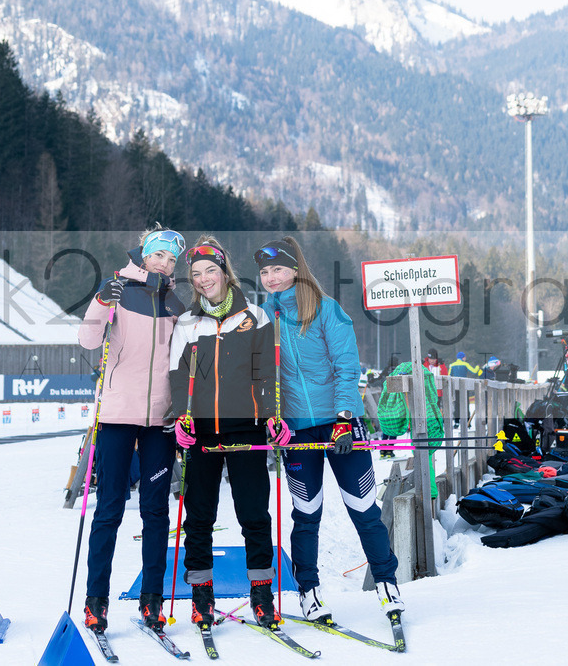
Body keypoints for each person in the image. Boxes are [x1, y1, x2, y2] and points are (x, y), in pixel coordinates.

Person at [255, 237, 405, 625]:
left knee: (363, 510)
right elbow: (263, 377)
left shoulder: (326, 310)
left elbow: (346, 367)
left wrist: (343, 418)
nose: (271, 278)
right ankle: (308, 592)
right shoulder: (260, 317)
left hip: (342, 426)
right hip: (296, 431)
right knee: (306, 514)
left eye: (278, 269)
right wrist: (272, 418)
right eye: (265, 272)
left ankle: (387, 583)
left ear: (296, 269)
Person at [168, 236, 281, 629]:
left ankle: (262, 595)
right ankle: (201, 597)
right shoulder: (186, 323)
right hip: (201, 432)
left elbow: (266, 373)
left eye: (209, 271)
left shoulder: (255, 317)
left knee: (253, 515)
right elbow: (178, 379)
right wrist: (182, 422)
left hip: (246, 428)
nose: (203, 280)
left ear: (224, 272)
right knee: (199, 517)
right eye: (196, 274)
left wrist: (271, 415)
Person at [77, 227, 186, 632]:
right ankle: (96, 601)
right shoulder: (118, 290)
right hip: (117, 415)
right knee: (109, 509)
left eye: (172, 260)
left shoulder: (175, 302)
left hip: (160, 420)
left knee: (156, 511)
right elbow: (89, 340)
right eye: (159, 256)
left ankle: (151, 600)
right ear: (144, 254)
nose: (164, 264)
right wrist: (101, 301)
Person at [448, 352, 481, 428]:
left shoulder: (452, 365)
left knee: (456, 404)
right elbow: (474, 371)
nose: (465, 358)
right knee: (465, 404)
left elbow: (448, 375)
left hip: (455, 387)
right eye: (465, 357)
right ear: (463, 358)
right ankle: (467, 422)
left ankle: (456, 422)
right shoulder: (465, 364)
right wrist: (477, 366)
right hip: (464, 387)